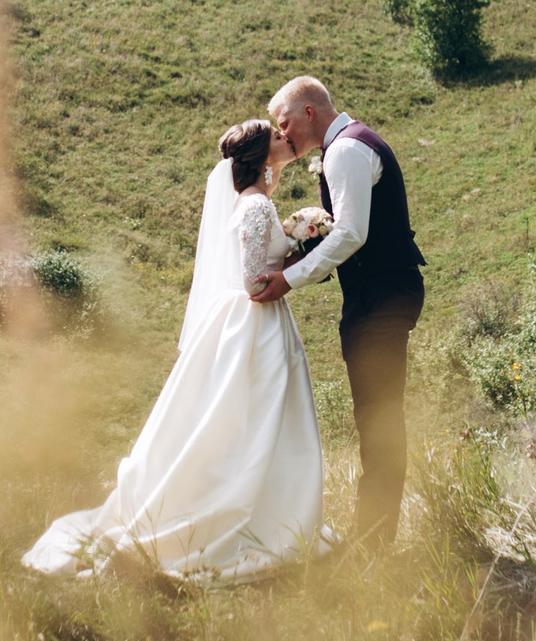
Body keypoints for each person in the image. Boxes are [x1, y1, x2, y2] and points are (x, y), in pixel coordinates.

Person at [22, 119, 325, 583]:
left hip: (250, 322)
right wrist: (302, 259)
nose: (286, 138)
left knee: (252, 421)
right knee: (254, 418)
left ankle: (264, 507)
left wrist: (299, 247)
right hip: (253, 323)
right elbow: (252, 282)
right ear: (262, 156)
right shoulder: (256, 206)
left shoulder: (254, 202)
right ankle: (249, 518)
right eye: (276, 136)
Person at [250, 75, 425, 550]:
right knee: (375, 416)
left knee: (379, 419)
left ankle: (371, 544)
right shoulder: (350, 144)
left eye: (285, 122)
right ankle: (372, 537)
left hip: (382, 299)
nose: (282, 134)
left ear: (308, 112)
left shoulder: (345, 150)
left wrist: (289, 278)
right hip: (378, 296)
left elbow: (350, 234)